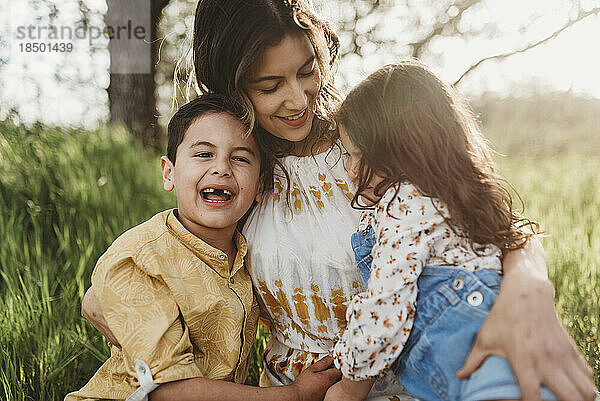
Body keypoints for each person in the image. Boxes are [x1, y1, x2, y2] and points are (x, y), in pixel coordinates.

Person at [82, 1, 597, 400]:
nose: (300, 98)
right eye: (270, 84)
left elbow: (489, 219)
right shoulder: (238, 173)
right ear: (232, 83)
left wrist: (530, 295)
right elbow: (148, 271)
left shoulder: (365, 144)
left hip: (410, 378)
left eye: (308, 70)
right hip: (300, 392)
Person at [66, 94, 340, 401]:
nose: (221, 168)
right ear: (168, 172)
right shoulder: (140, 258)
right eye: (203, 155)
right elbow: (168, 391)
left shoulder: (251, 253)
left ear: (260, 185)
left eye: (240, 158)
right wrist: (294, 395)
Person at [325, 60, 558, 401]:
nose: (347, 166)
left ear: (398, 150)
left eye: (355, 153)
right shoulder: (460, 198)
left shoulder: (404, 203)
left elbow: (385, 314)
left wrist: (347, 386)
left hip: (481, 375)